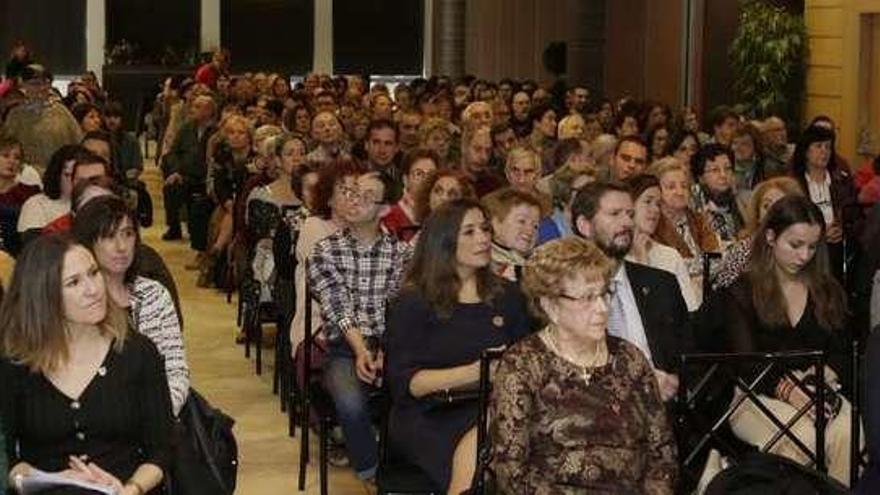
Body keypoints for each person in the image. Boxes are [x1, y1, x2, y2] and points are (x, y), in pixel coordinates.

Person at [491, 237, 677, 494]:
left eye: (604, 294)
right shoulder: (522, 365)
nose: (602, 308)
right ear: (550, 306)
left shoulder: (630, 358)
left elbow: (662, 454)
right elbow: (511, 471)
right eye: (588, 298)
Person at [0, 234, 172, 495]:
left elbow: (162, 449)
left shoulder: (137, 353)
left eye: (94, 273)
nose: (93, 289)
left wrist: (132, 489)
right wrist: (49, 478)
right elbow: (8, 462)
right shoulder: (16, 365)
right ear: (44, 295)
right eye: (74, 282)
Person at [386, 199, 531, 493]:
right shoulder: (414, 303)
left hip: (496, 404)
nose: (483, 238)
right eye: (469, 232)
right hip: (430, 412)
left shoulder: (509, 295)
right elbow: (406, 385)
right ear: (444, 241)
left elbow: (526, 360)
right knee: (487, 437)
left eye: (485, 229)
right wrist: (476, 372)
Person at [717, 195, 856, 485]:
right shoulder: (742, 291)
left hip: (818, 387)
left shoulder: (826, 289)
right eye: (795, 245)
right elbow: (747, 366)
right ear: (770, 236)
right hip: (757, 395)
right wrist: (791, 392)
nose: (804, 256)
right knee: (801, 436)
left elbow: (843, 350)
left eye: (812, 247)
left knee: (847, 431)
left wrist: (819, 380)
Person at [309, 170, 410, 482]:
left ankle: (411, 470)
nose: (353, 201)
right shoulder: (326, 250)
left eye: (366, 197)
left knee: (417, 397)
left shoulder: (401, 253)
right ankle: (372, 475)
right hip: (344, 346)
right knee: (351, 403)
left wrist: (384, 351)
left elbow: (401, 310)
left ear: (384, 210)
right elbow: (336, 305)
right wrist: (361, 349)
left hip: (391, 344)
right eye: (352, 193)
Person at [571, 181, 692, 401]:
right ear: (585, 225)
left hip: (662, 409)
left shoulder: (661, 284)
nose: (627, 222)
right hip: (592, 412)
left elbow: (688, 355)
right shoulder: (564, 292)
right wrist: (639, 381)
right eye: (615, 214)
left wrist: (676, 381)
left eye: (629, 214)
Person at [72, 196, 191, 416]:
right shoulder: (78, 299)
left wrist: (157, 417)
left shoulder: (154, 294)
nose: (121, 247)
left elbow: (176, 371)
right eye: (109, 236)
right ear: (88, 243)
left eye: (127, 234)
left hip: (157, 418)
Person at [791, 124, 860, 283]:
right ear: (806, 151)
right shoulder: (794, 183)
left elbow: (855, 216)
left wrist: (842, 229)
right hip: (806, 250)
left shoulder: (841, 181)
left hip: (837, 251)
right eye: (818, 146)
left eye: (828, 147)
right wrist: (820, 233)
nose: (824, 152)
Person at [711, 176, 804, 292]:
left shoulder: (804, 248)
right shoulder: (745, 250)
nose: (772, 212)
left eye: (780, 206)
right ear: (758, 215)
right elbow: (722, 290)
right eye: (766, 206)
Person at [625, 174, 699, 312]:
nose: (655, 210)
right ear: (628, 205)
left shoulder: (669, 256)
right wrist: (642, 263)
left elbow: (690, 310)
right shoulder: (614, 257)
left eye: (658, 204)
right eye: (648, 201)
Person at [651, 157, 720, 284]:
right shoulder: (652, 226)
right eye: (671, 187)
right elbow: (668, 269)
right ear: (655, 192)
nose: (680, 192)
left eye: (684, 186)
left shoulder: (698, 219)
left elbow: (715, 260)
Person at [17, 145, 84, 246]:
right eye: (68, 175)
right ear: (57, 174)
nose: (74, 181)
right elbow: (36, 249)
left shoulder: (97, 204)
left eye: (80, 176)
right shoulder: (36, 204)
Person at [483, 188, 542, 282]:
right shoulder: (487, 266)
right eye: (521, 221)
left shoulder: (526, 264)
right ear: (495, 223)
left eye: (535, 226)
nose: (530, 231)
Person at [381, 148, 438, 242]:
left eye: (431, 175)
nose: (426, 180)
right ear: (405, 180)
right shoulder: (388, 218)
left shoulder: (443, 216)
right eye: (419, 174)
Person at [691, 144, 744, 244]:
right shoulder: (692, 205)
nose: (723, 175)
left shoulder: (744, 201)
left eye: (728, 168)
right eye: (715, 170)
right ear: (701, 178)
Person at [0, 135, 40, 255]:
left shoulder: (31, 192)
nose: (11, 161)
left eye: (17, 158)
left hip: (20, 255)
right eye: (5, 156)